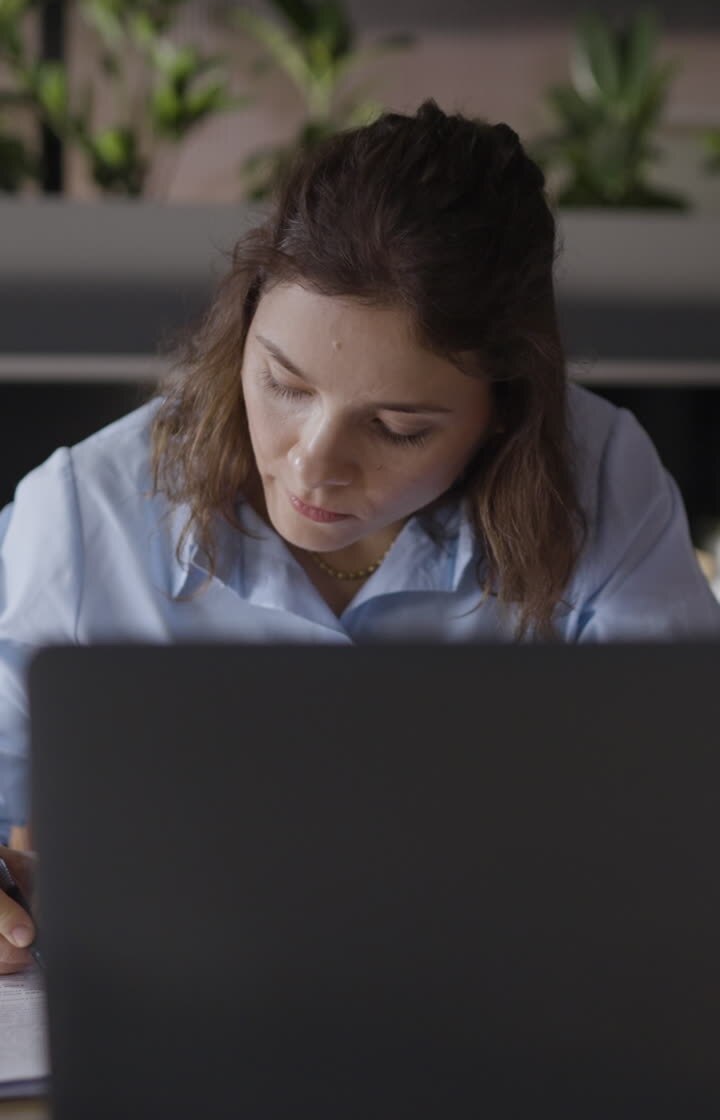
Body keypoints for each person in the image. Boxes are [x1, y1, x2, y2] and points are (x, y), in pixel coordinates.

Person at [1, 99, 719, 971]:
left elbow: (681, 813)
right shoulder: (85, 514)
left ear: (506, 414)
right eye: (284, 384)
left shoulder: (599, 479)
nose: (311, 468)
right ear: (245, 325)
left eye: (399, 428)